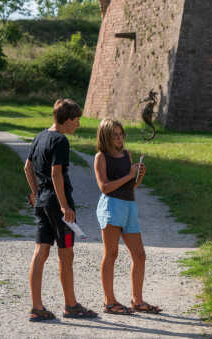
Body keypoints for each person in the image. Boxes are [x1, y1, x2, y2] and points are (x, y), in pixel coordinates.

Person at [24, 98, 98, 321]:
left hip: (43, 202)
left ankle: (36, 307)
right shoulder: (60, 141)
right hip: (58, 205)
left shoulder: (40, 136)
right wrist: (65, 206)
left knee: (40, 252)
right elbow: (57, 173)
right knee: (66, 254)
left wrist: (36, 193)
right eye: (76, 120)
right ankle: (71, 305)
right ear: (66, 120)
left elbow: (27, 167)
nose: (78, 124)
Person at [93, 119, 161, 315]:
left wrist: (138, 176)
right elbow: (104, 187)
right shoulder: (101, 157)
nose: (120, 138)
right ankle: (109, 302)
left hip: (129, 206)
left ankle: (137, 300)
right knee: (111, 254)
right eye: (115, 135)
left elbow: (130, 187)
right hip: (111, 207)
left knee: (140, 255)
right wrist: (129, 175)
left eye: (121, 134)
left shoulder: (127, 155)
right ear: (105, 137)